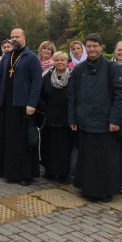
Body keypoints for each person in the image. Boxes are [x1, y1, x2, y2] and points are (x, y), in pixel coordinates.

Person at [68, 33, 122, 202]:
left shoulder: (112, 67)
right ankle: (87, 189)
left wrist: (115, 119)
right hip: (84, 122)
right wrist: (72, 119)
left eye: (95, 46)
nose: (92, 49)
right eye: (89, 46)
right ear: (86, 48)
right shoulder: (79, 69)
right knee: (87, 159)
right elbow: (72, 95)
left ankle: (104, 191)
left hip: (105, 124)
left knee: (104, 160)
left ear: (101, 47)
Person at [0, 28, 42, 186]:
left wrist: (32, 103)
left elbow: (36, 82)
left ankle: (24, 174)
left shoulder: (31, 57)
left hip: (23, 105)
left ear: (24, 38)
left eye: (17, 36)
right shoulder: (7, 56)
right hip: (7, 104)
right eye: (12, 36)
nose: (14, 39)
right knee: (7, 138)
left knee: (21, 141)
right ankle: (5, 169)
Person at [38, 51, 74, 181]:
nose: (60, 62)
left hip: (66, 118)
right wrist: (44, 108)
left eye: (63, 60)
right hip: (50, 117)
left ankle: (64, 173)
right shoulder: (46, 77)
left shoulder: (73, 77)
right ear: (54, 61)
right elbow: (40, 94)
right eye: (57, 60)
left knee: (64, 146)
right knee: (49, 145)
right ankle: (50, 170)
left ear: (67, 62)